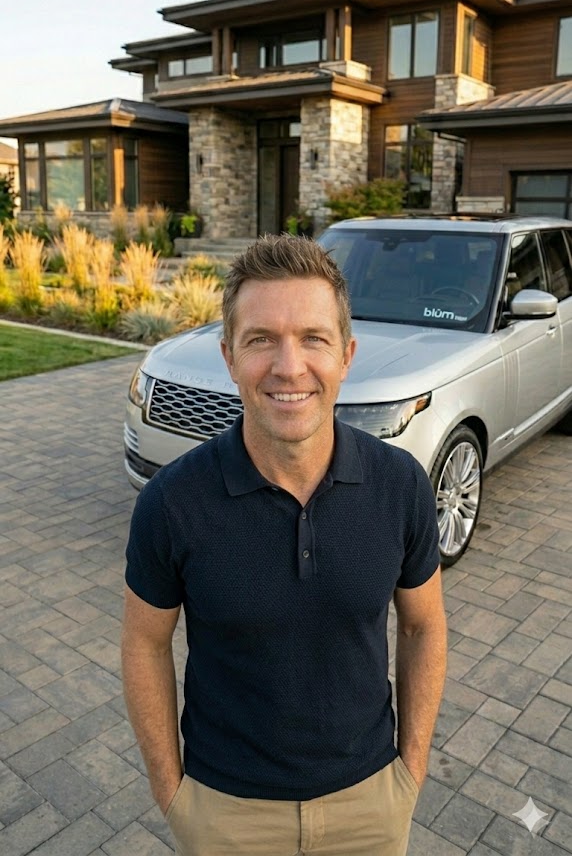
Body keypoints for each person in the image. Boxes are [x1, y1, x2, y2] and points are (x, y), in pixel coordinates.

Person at [121, 234, 447, 856]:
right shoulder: (171, 503)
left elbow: (422, 626)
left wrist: (411, 770)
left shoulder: (400, 485)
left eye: (313, 338)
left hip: (371, 804)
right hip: (225, 813)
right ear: (229, 356)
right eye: (261, 339)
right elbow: (144, 642)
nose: (289, 367)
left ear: (346, 355)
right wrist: (173, 794)